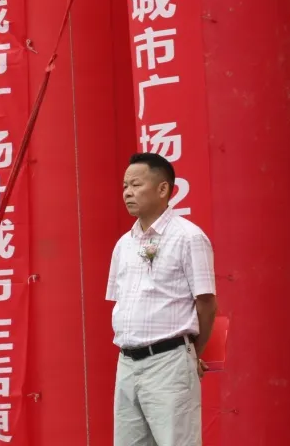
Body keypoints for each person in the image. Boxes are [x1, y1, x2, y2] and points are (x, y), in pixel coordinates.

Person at [107, 153, 217, 446]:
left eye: (136, 185)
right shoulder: (123, 244)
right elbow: (120, 303)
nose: (127, 192)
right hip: (127, 362)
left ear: (163, 189)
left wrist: (193, 354)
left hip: (168, 362)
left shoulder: (188, 237)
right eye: (125, 186)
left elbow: (206, 303)